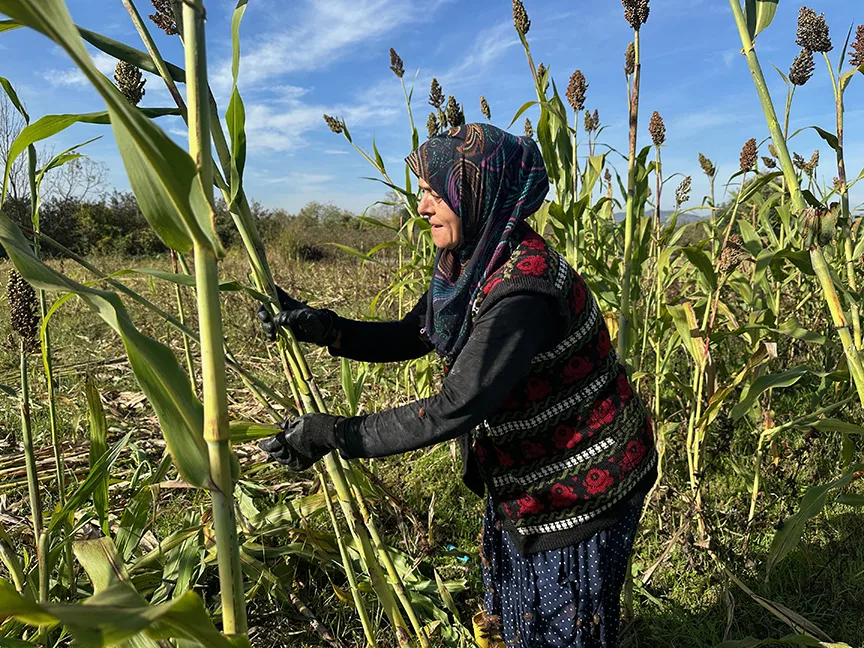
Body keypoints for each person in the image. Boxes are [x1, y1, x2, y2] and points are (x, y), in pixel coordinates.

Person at [257, 123, 657, 648]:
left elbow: (453, 408)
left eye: (432, 192)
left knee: (561, 627)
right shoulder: (470, 260)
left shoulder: (523, 290)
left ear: (474, 192)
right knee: (517, 617)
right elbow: (415, 331)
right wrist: (327, 328)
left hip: (582, 485)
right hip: (525, 475)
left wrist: (331, 435)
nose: (421, 208)